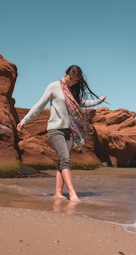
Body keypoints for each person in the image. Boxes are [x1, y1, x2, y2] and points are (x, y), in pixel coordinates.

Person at [17, 65, 106, 202]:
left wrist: (99, 100)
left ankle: (58, 193)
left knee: (62, 162)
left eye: (75, 81)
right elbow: (39, 105)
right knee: (65, 159)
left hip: (69, 131)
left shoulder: (73, 91)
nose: (72, 82)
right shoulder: (53, 87)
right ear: (66, 74)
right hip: (55, 129)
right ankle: (72, 193)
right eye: (71, 79)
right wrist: (24, 121)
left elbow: (82, 103)